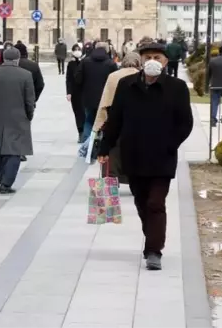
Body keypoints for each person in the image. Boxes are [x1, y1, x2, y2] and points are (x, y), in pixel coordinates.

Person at [98, 42, 193, 271]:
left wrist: (171, 143)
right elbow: (116, 119)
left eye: (157, 57)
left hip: (162, 156)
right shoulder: (126, 84)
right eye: (148, 56)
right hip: (134, 153)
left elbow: (185, 123)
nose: (153, 61)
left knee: (155, 203)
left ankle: (153, 251)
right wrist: (104, 148)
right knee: (141, 201)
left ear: (165, 62)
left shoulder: (177, 87)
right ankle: (152, 237)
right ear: (140, 61)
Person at [0, 47, 35, 194]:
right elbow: (30, 100)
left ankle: (3, 179)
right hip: (18, 118)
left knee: (0, 151)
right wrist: (29, 115)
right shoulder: (25, 75)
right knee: (15, 151)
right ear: (17, 59)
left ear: (2, 58)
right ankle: (6, 183)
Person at [92, 52, 142, 184]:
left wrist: (99, 122)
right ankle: (133, 179)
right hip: (137, 120)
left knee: (113, 150)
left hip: (114, 117)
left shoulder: (113, 76)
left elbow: (105, 100)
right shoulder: (142, 76)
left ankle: (111, 179)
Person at [76, 41, 118, 142]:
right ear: (107, 50)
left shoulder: (85, 62)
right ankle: (101, 144)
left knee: (89, 121)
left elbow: (78, 79)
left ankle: (86, 145)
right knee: (105, 122)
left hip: (88, 98)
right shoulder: (111, 63)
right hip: (106, 98)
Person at [65, 44, 85, 142]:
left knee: (85, 112)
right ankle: (80, 132)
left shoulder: (85, 62)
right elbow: (68, 79)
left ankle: (86, 132)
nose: (77, 51)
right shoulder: (71, 64)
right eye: (75, 49)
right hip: (75, 92)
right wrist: (69, 92)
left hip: (84, 91)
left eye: (78, 49)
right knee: (78, 113)